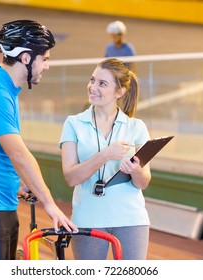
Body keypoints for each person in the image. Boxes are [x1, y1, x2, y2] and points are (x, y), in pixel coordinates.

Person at [0, 20, 76, 260]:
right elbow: (18, 154)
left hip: (0, 202)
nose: (47, 66)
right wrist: (49, 203)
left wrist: (17, 186)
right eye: (45, 58)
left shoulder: (6, 91)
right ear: (26, 58)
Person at [59, 58, 151, 260]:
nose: (93, 87)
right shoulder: (73, 124)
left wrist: (135, 170)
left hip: (131, 218)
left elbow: (143, 182)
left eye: (102, 83)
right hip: (88, 217)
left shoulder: (137, 127)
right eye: (92, 80)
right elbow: (71, 177)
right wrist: (105, 155)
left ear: (119, 92)